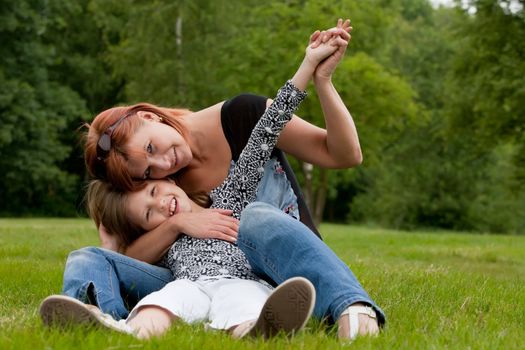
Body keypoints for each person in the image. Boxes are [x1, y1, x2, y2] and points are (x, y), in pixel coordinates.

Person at [43, 19, 385, 340]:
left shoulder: (231, 193)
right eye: (147, 174)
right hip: (184, 282)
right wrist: (172, 226)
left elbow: (270, 131)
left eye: (151, 147)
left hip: (260, 269)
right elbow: (129, 256)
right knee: (101, 268)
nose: (162, 166)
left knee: (248, 278)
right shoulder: (164, 209)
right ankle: (107, 320)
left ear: (148, 116)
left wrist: (311, 71)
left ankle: (336, 310)